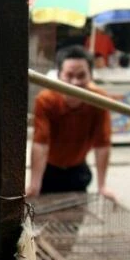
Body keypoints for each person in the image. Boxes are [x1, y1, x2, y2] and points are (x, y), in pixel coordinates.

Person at [27, 44, 115, 199]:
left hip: (78, 170)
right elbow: (41, 144)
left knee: (74, 219)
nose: (75, 83)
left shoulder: (100, 100)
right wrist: (34, 184)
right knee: (42, 218)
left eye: (81, 76)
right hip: (49, 170)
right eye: (69, 75)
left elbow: (103, 143)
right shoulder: (46, 100)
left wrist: (102, 186)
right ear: (59, 75)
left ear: (91, 76)